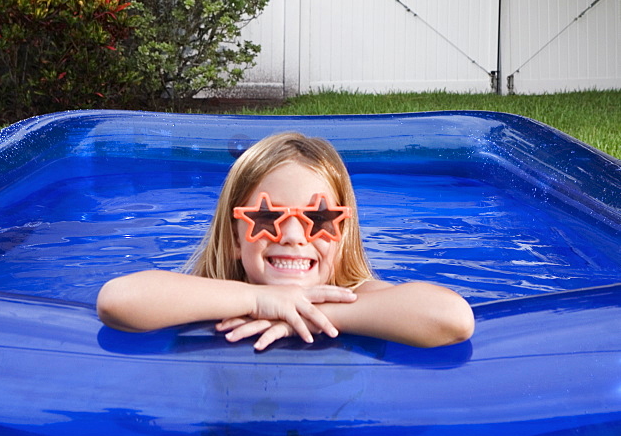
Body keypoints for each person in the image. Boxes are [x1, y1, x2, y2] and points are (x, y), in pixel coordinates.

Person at [97, 131, 474, 351]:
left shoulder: (353, 293)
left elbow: (452, 318)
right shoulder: (208, 293)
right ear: (234, 238)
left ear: (341, 238)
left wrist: (312, 313)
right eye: (266, 216)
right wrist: (260, 299)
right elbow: (118, 301)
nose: (294, 237)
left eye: (319, 218)